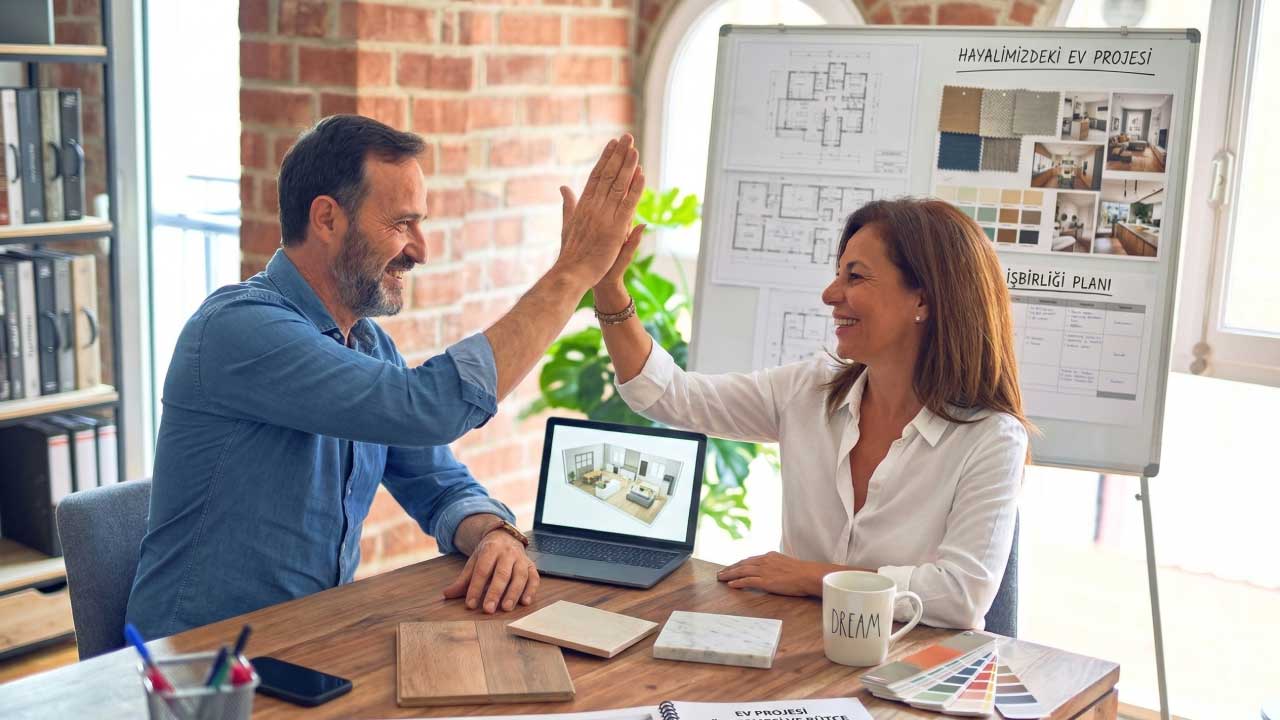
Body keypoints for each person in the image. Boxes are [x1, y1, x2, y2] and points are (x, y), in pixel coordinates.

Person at [126, 115, 645, 639]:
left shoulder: (368, 344)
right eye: (401, 224)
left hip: (309, 645)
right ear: (327, 219)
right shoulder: (240, 329)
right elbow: (430, 409)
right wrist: (571, 274)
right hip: (200, 663)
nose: (421, 250)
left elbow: (439, 482)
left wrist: (494, 533)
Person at [595, 198, 1029, 629]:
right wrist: (608, 287)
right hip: (800, 648)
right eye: (838, 274)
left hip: (912, 660)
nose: (830, 294)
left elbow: (960, 597)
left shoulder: (991, 437)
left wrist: (810, 577)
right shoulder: (809, 389)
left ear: (923, 300)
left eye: (854, 276)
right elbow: (669, 396)